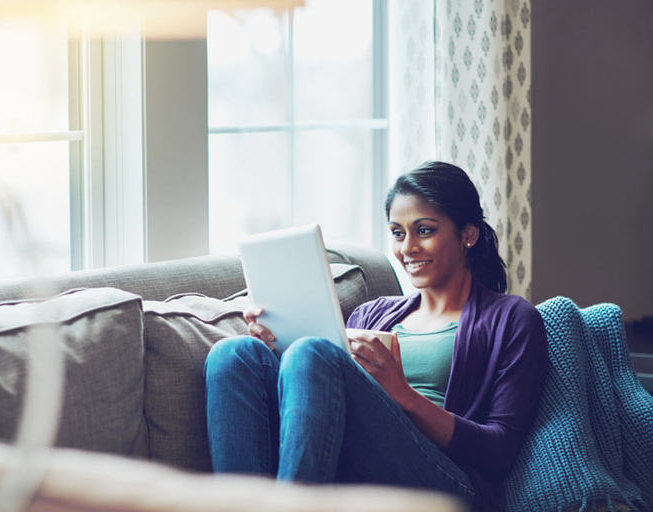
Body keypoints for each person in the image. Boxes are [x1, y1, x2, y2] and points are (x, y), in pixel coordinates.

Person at [204, 161, 547, 511]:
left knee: (313, 354)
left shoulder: (512, 319)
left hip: (449, 481)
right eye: (398, 233)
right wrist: (276, 350)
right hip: (349, 459)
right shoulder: (373, 313)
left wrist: (403, 394)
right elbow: (317, 405)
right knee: (233, 355)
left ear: (467, 234)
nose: (408, 247)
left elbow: (499, 451)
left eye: (424, 230)